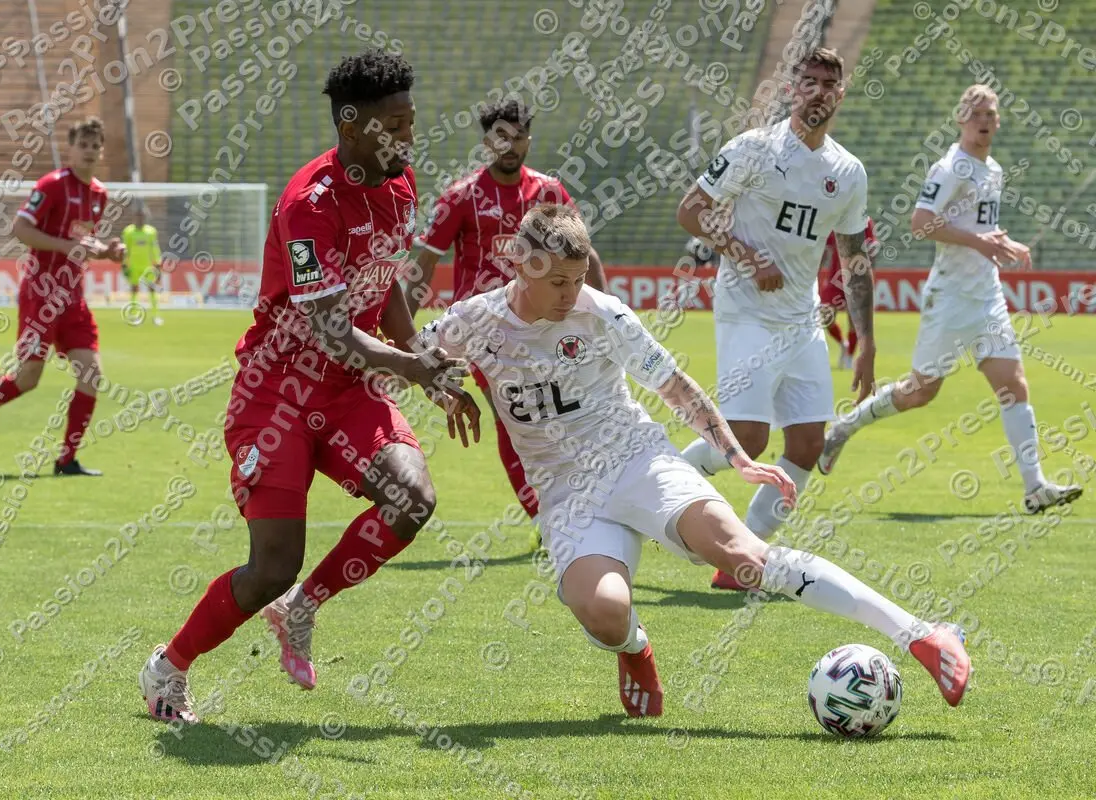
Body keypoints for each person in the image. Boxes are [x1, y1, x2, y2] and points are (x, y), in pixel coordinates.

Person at [416, 203, 970, 718]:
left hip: (637, 460)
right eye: (558, 282)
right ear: (522, 267)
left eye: (579, 279)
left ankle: (921, 633)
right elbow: (417, 354)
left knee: (746, 558)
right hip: (565, 491)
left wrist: (739, 459)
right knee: (607, 613)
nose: (570, 294)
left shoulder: (604, 314)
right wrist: (447, 391)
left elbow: (677, 389)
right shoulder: (476, 320)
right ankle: (634, 647)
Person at [139, 50, 481, 723]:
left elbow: (382, 294)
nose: (408, 139)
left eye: (412, 123)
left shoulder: (401, 184)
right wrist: (418, 369)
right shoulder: (311, 205)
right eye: (395, 125)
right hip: (278, 398)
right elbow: (331, 330)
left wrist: (421, 357)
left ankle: (302, 609)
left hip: (349, 391)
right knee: (271, 565)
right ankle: (167, 667)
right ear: (351, 128)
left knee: (411, 498)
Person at [818, 84, 1082, 513]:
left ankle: (1035, 487)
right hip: (950, 297)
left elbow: (978, 227)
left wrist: (1005, 243)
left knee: (1014, 386)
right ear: (961, 118)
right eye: (976, 112)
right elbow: (920, 222)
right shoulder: (951, 168)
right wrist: (980, 243)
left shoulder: (992, 169)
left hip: (987, 298)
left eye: (992, 114)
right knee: (921, 391)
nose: (984, 120)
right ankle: (845, 426)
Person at [674, 48, 876, 590]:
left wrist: (866, 341)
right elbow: (690, 209)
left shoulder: (847, 171)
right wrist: (745, 255)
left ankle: (741, 564)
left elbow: (854, 259)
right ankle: (661, 477)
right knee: (748, 438)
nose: (817, 91)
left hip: (802, 319)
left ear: (840, 93)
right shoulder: (754, 149)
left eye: (828, 83)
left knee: (808, 444)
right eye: (808, 81)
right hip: (745, 312)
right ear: (792, 89)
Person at [405, 98, 608, 546]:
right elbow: (423, 265)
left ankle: (575, 504)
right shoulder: (460, 197)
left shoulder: (549, 192)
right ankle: (544, 516)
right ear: (486, 141)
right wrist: (403, 331)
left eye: (518, 137)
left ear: (528, 140)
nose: (509, 145)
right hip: (487, 333)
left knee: (564, 412)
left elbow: (584, 253)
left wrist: (607, 311)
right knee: (510, 414)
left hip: (547, 325)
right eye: (500, 136)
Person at [0, 116, 124, 477]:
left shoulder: (99, 195)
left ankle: (67, 460)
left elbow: (80, 241)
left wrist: (107, 250)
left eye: (95, 145)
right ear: (70, 150)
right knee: (28, 378)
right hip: (41, 295)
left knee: (92, 372)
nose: (89, 151)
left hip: (73, 299)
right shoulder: (52, 185)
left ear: (101, 151)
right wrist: (67, 246)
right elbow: (21, 229)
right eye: (82, 144)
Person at [819, 218, 877, 370]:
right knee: (825, 316)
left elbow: (873, 246)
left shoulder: (864, 221)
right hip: (835, 279)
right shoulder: (834, 220)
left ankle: (849, 357)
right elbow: (825, 249)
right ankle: (843, 345)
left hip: (856, 279)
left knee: (854, 321)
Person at [120, 207, 163, 326]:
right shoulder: (128, 231)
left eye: (142, 217)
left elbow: (154, 248)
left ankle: (155, 316)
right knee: (134, 289)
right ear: (134, 218)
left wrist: (157, 263)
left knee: (152, 289)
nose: (140, 219)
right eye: (138, 217)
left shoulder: (151, 231)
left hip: (148, 266)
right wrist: (124, 264)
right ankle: (134, 315)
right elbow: (126, 249)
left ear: (145, 217)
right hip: (133, 265)